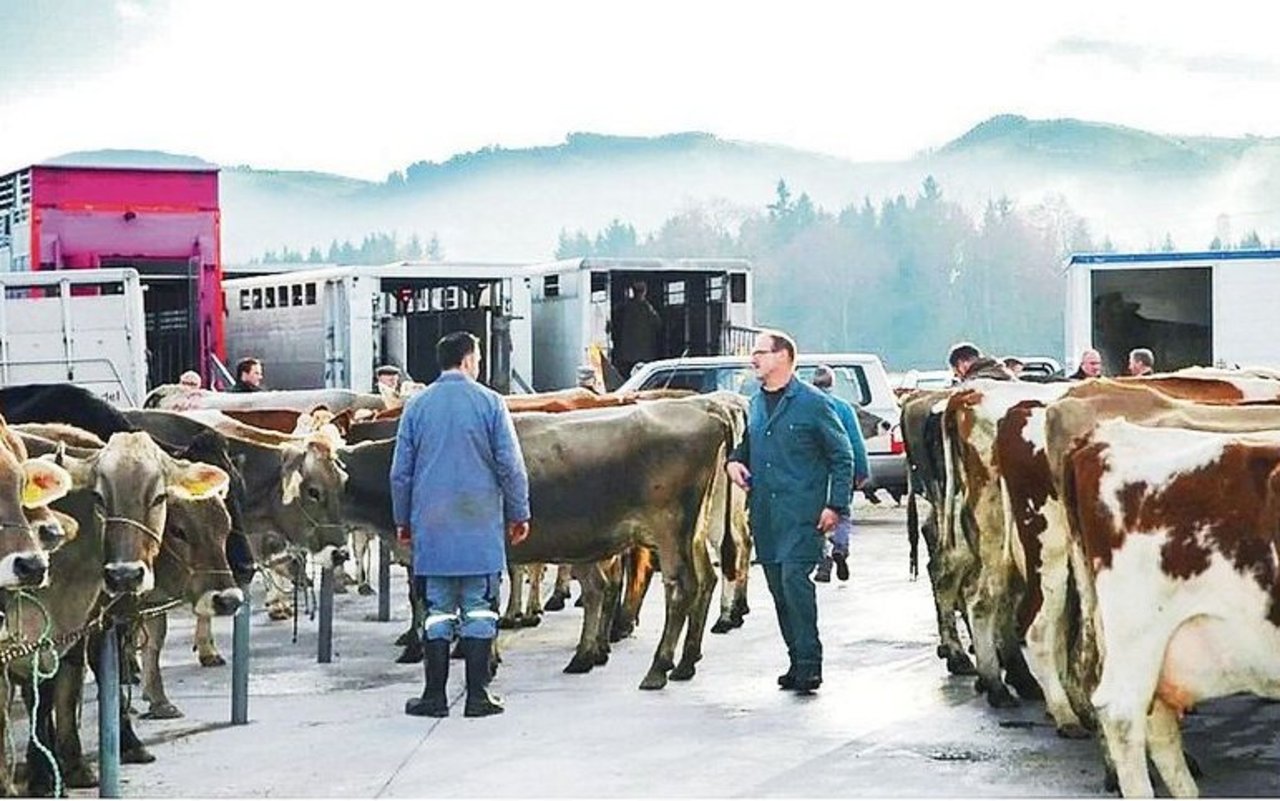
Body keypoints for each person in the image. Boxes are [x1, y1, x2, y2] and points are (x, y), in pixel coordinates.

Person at [391, 331, 530, 719]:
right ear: (469, 360)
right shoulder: (490, 403)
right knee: (480, 610)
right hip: (479, 526)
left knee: (437, 611)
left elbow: (401, 474)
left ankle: (433, 696)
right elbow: (511, 466)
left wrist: (403, 520)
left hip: (432, 530)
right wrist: (520, 513)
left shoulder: (417, 406)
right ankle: (477, 696)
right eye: (479, 357)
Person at [725, 330, 854, 693]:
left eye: (760, 353)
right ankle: (796, 661)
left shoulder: (813, 403)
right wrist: (733, 463)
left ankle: (810, 665)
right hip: (765, 514)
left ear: (783, 356)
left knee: (795, 584)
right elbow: (746, 445)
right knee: (778, 590)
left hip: (803, 512)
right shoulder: (754, 403)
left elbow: (841, 456)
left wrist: (836, 505)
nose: (754, 359)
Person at [810, 365, 870, 584]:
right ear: (832, 384)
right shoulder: (843, 408)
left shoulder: (807, 406)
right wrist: (862, 471)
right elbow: (855, 442)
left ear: (813, 383)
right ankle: (840, 549)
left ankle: (823, 557)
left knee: (817, 514)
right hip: (841, 470)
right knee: (841, 511)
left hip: (814, 471)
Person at [612, 281, 662, 378]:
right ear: (644, 292)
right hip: (645, 353)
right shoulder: (648, 308)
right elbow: (658, 324)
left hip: (627, 352)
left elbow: (615, 323)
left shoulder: (623, 307)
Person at [947, 342, 1012, 383]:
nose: (958, 376)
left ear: (962, 363)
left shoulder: (975, 382)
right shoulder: (1001, 370)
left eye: (957, 372)